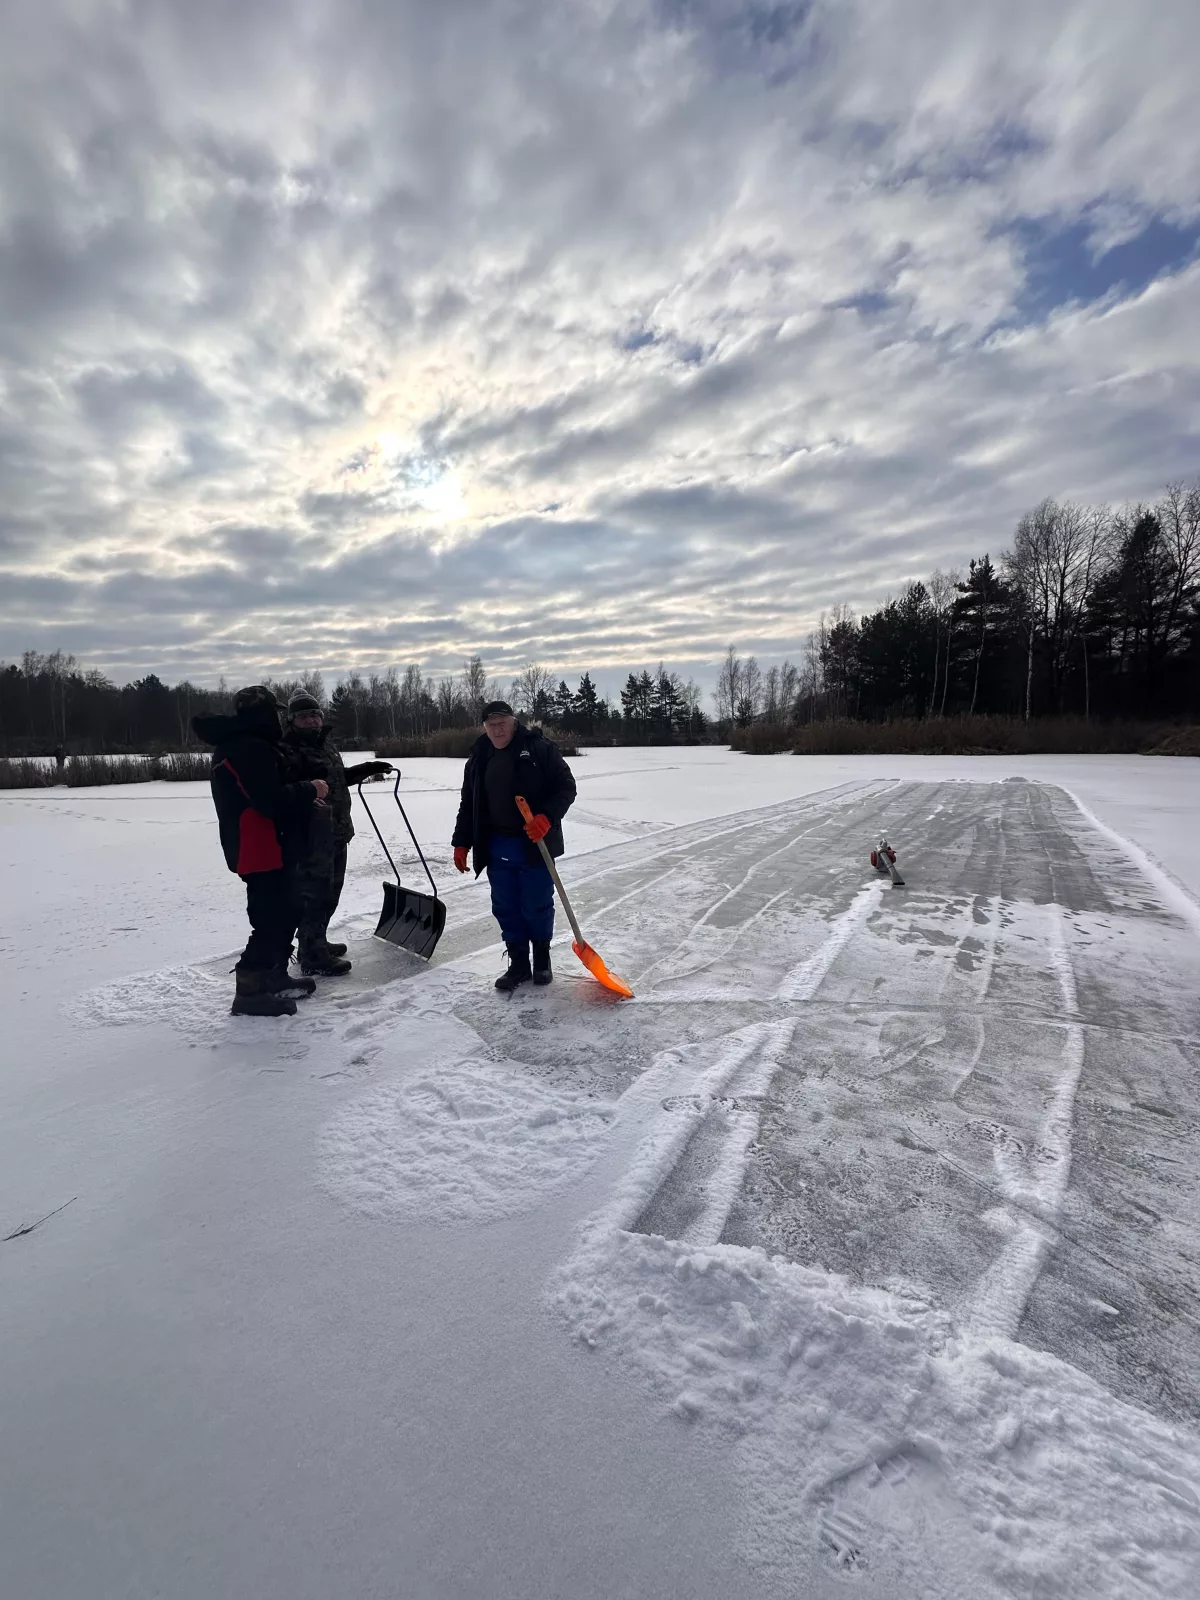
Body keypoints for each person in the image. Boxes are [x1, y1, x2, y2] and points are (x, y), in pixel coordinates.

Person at [192, 685, 328, 1017]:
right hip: (259, 846)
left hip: (268, 843)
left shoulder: (247, 744)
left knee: (288, 909)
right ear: (261, 713)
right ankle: (250, 990)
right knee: (271, 918)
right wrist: (309, 789)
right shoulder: (246, 748)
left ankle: (273, 975)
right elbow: (268, 800)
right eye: (275, 711)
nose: (278, 718)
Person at [452, 700, 577, 991]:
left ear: (513, 721)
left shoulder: (538, 749)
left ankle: (541, 960)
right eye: (491, 725)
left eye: (502, 723)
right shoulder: (479, 756)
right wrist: (461, 842)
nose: (497, 729)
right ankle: (519, 962)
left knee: (537, 903)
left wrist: (546, 817)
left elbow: (566, 786)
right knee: (505, 906)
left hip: (534, 843)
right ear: (484, 727)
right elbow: (468, 804)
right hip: (495, 843)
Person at [281, 690, 392, 975]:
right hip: (311, 835)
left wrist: (367, 769)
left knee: (331, 892)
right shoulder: (287, 748)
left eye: (315, 714)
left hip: (337, 830)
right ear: (292, 720)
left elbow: (337, 779)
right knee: (314, 894)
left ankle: (315, 941)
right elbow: (288, 790)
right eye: (304, 716)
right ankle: (312, 954)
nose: (311, 720)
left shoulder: (325, 743)